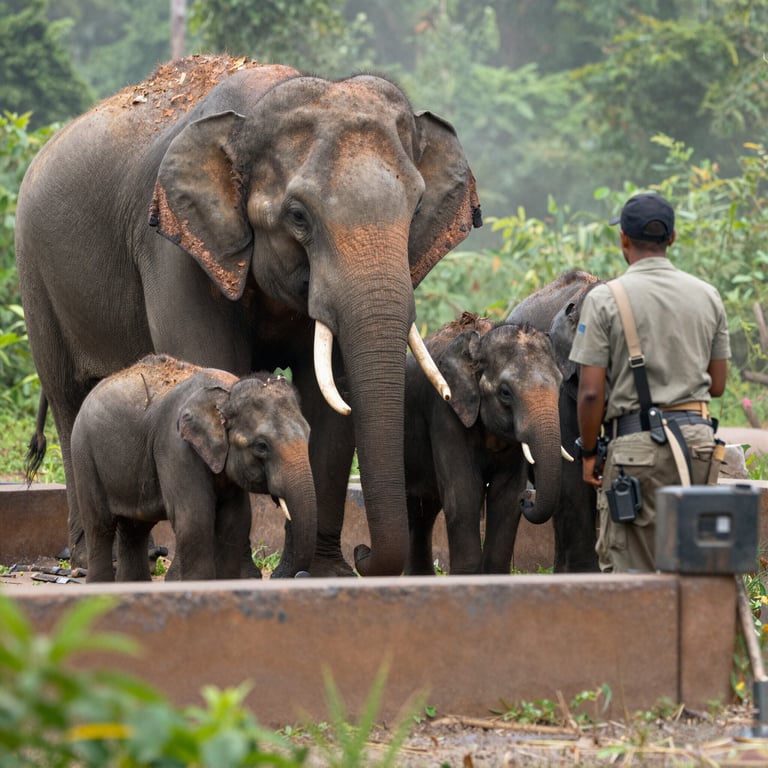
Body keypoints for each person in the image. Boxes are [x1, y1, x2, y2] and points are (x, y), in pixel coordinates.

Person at [569, 192, 731, 572]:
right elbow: (719, 384)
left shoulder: (606, 299)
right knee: (698, 565)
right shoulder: (708, 295)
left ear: (623, 238)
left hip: (635, 450)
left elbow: (591, 392)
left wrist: (590, 452)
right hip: (698, 447)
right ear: (672, 238)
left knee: (632, 574)